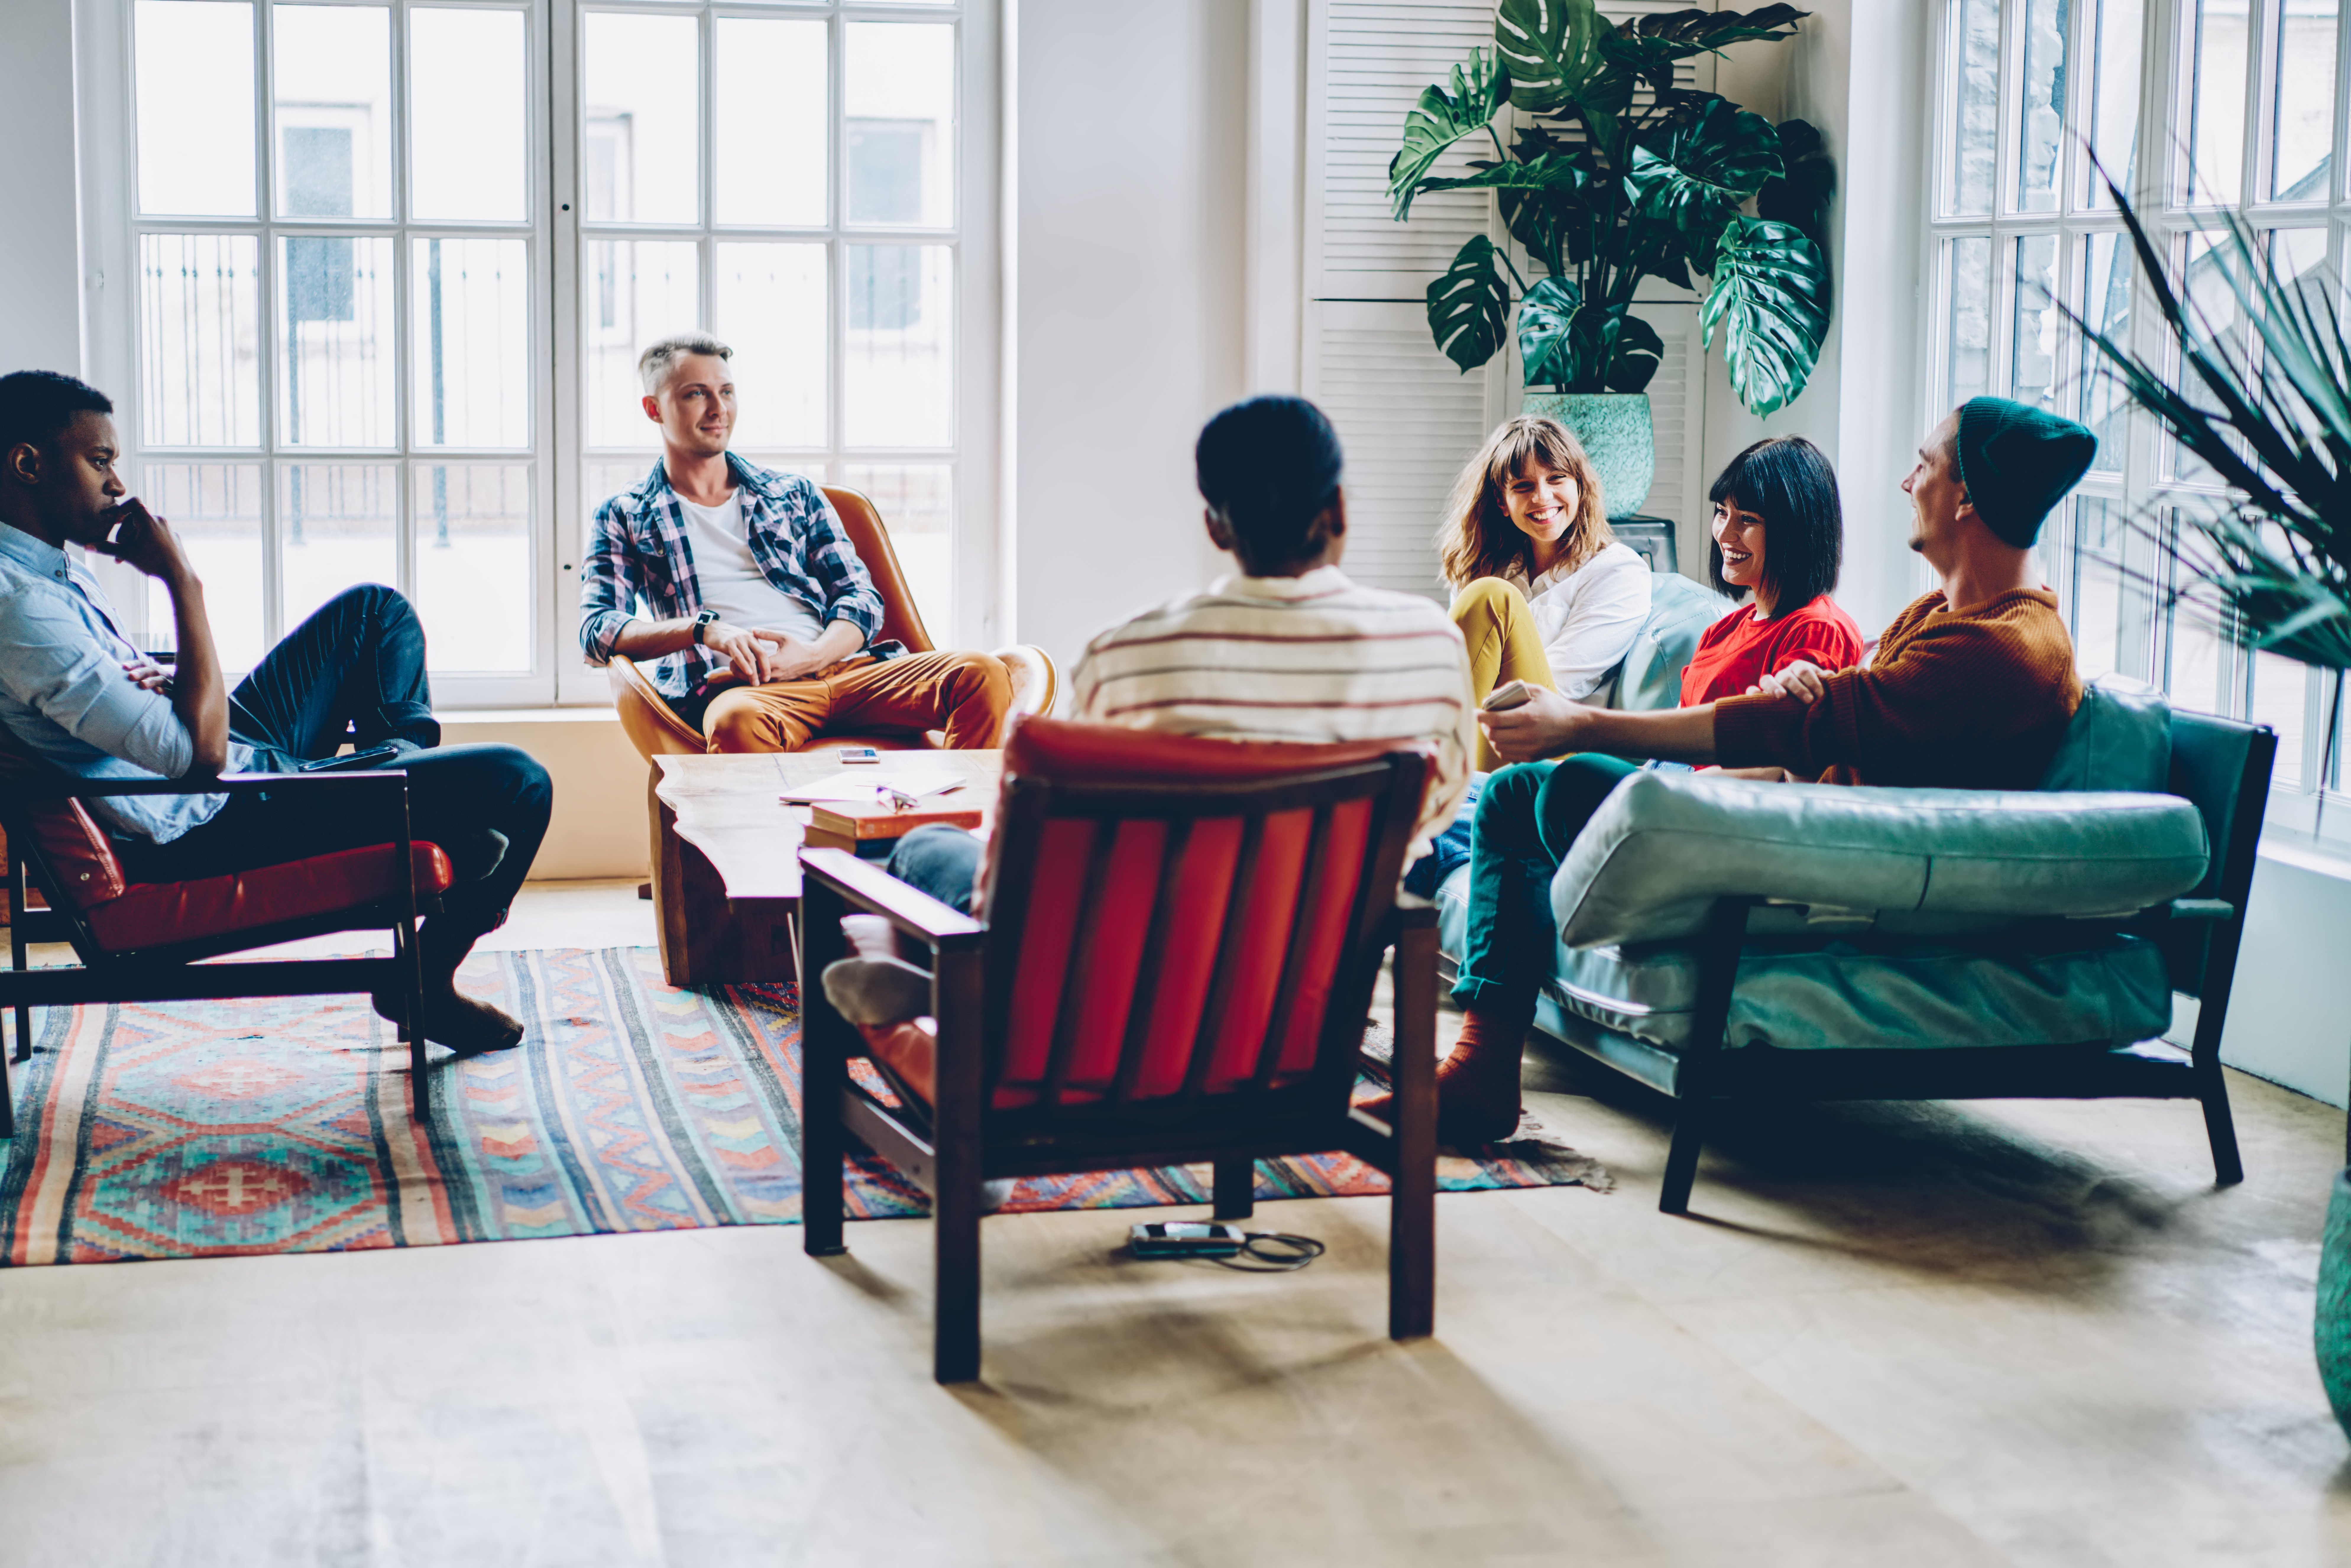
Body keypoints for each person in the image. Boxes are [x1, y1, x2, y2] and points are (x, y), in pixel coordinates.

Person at [1376, 397, 2097, 1143]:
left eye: (1926, 464)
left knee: (1528, 791)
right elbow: (1844, 715)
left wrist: (1593, 724)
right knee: (1512, 797)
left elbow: (1809, 731)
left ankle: (1471, 1048)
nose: (1907, 480)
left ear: (1968, 495)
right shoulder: (1941, 619)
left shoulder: (2000, 646)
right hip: (1767, 816)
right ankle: (1480, 1061)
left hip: (1787, 850)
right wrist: (1806, 703)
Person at [821, 394, 1477, 1031]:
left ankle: (972, 994)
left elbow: (1054, 842)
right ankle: (966, 992)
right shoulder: (1428, 644)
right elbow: (1433, 812)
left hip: (1136, 979)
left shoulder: (1128, 655)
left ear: (1215, 525)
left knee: (926, 848)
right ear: (1337, 508)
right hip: (1305, 982)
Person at [0, 370, 552, 1054]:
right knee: (522, 781)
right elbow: (200, 760)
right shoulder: (19, 604)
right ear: (28, 463)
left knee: (377, 614)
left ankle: (398, 781)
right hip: (207, 818)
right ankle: (425, 976)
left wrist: (160, 677)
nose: (119, 484)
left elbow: (138, 709)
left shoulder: (49, 568)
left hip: (220, 759)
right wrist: (184, 580)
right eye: (101, 461)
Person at [578, 334, 1010, 752]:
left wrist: (816, 654)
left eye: (727, 391)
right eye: (696, 394)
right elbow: (597, 629)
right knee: (735, 725)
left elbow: (860, 598)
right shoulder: (626, 513)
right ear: (654, 409)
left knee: (982, 673)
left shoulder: (792, 494)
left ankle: (951, 825)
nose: (718, 408)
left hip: (849, 672)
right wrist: (703, 630)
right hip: (752, 693)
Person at [1437, 415, 1651, 769]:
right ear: (1502, 502)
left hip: (1550, 750)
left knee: (1493, 597)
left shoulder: (1617, 571)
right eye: (1523, 486)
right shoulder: (1494, 566)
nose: (1542, 497)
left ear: (1579, 486)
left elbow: (1556, 689)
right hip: (1479, 739)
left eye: (1556, 479)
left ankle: (1417, 771)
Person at [1682, 435, 1864, 707]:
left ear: (1795, 532)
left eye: (1748, 519)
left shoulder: (1818, 630)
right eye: (1722, 512)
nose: (1724, 534)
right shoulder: (1720, 632)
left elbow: (1774, 737)